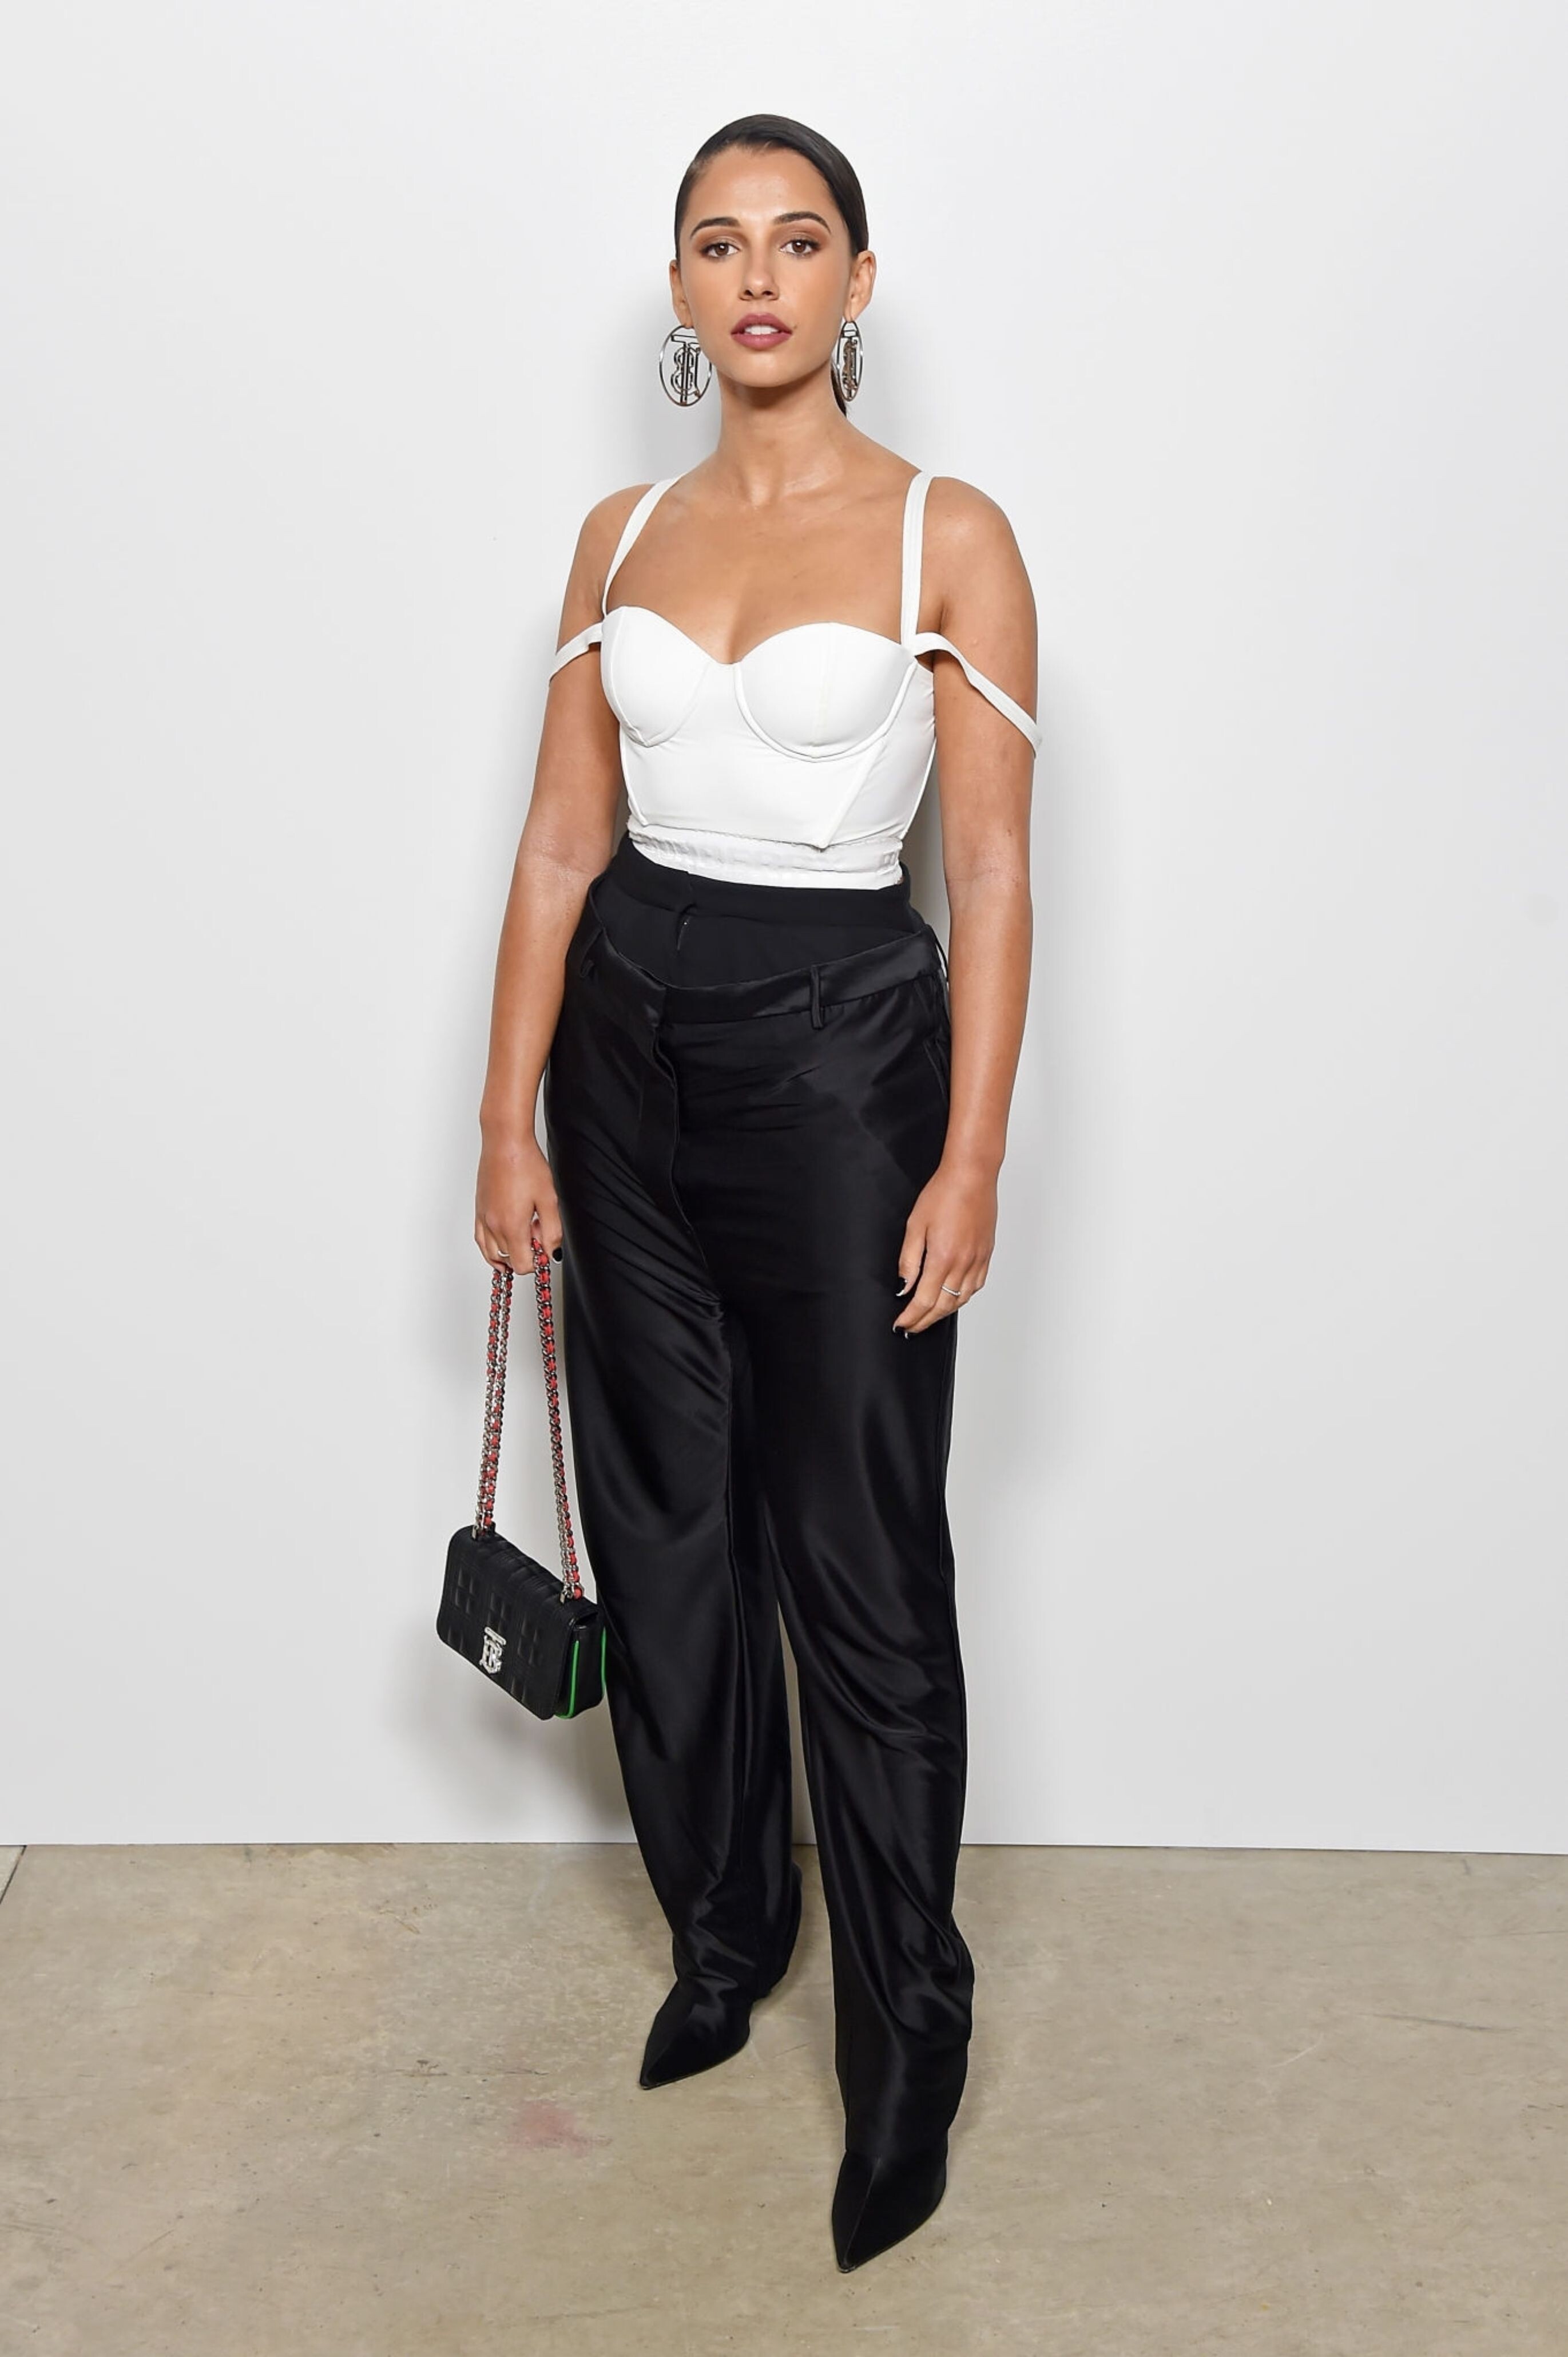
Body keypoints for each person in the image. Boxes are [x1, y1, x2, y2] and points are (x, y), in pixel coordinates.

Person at [473, 113, 1039, 2273]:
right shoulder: (619, 531)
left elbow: (988, 871)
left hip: (840, 1058)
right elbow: (558, 844)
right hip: (621, 1046)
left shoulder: (947, 535)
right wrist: (507, 1117)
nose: (759, 278)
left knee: (862, 1570)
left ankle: (909, 2049)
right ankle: (726, 1935)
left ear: (858, 283)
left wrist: (971, 1152)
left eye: (799, 242)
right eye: (719, 246)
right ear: (683, 293)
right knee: (669, 1530)